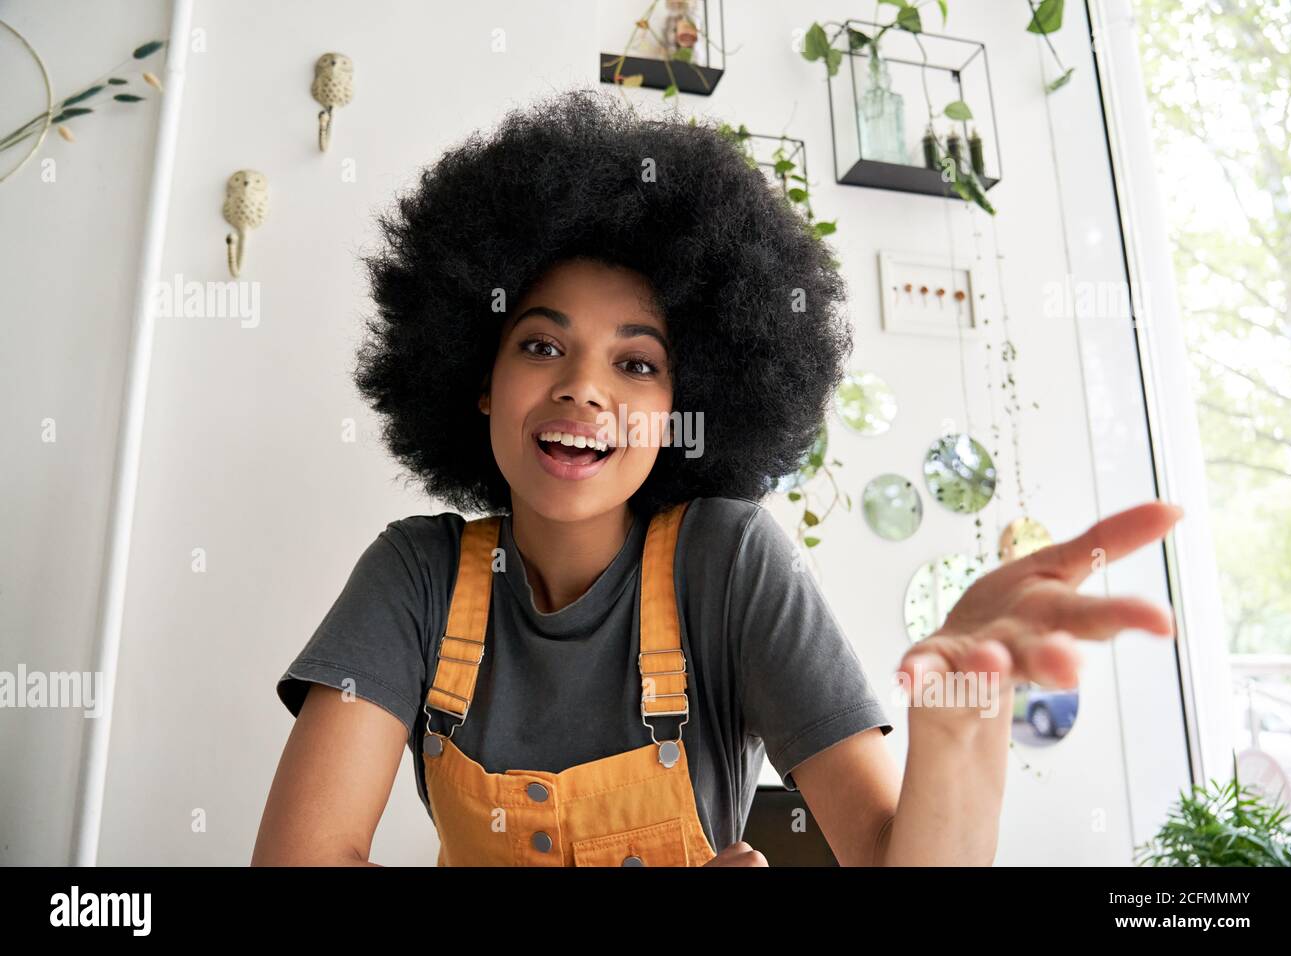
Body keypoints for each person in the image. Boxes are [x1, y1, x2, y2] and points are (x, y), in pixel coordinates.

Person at [251, 88, 1181, 867]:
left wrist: (959, 719)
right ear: (478, 384)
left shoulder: (727, 563)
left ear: (685, 412)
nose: (583, 388)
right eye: (541, 345)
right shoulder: (415, 576)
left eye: (637, 364)